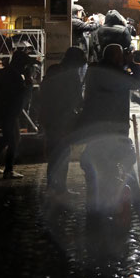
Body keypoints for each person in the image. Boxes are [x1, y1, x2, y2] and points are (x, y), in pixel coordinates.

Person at [80, 44, 140, 221]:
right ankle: (119, 205)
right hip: (114, 129)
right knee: (115, 167)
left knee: (97, 167)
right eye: (121, 56)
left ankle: (94, 208)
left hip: (94, 128)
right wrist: (132, 64)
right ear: (116, 58)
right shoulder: (114, 75)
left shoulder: (94, 71)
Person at [39, 46, 85, 198]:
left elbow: (43, 93)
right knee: (63, 156)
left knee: (54, 156)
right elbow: (78, 99)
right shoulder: (72, 76)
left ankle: (53, 187)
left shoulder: (53, 70)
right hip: (63, 121)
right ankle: (60, 188)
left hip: (50, 119)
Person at [0, 48, 33, 178]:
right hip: (9, 113)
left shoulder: (6, 72)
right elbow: (21, 95)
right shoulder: (14, 75)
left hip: (7, 112)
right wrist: (28, 83)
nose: (25, 67)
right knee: (13, 140)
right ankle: (8, 170)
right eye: (25, 64)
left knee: (9, 138)